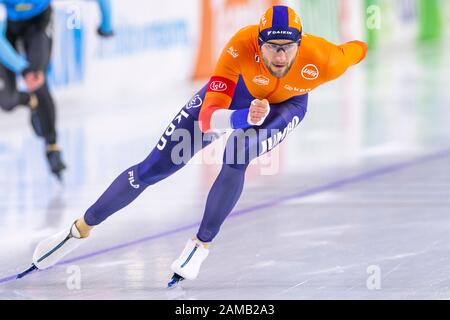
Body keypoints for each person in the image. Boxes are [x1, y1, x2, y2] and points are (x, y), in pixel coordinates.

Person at [20, 5, 368, 287]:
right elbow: (207, 120)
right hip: (235, 102)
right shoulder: (238, 46)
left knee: (237, 153)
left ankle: (200, 245)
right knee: (152, 169)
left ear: (300, 43)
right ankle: (79, 229)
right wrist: (243, 115)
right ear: (258, 43)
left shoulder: (323, 58)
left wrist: (361, 38)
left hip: (286, 106)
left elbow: (356, 50)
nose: (280, 56)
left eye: (288, 47)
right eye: (272, 47)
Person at [0, 0, 113, 180]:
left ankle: (52, 146)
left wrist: (107, 24)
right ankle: (31, 101)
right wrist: (22, 68)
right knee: (7, 101)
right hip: (8, 29)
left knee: (37, 81)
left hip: (39, 23)